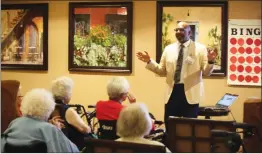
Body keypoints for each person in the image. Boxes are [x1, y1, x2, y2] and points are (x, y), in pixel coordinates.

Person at [136, 21, 217, 129]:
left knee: (189, 128)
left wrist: (211, 61)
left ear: (190, 33)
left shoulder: (200, 49)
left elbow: (206, 72)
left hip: (190, 94)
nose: (179, 32)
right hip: (172, 92)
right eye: (177, 30)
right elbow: (161, 71)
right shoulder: (168, 49)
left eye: (182, 30)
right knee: (170, 126)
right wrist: (149, 62)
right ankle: (170, 145)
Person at [1, 88, 79, 153]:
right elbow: (73, 151)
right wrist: (58, 131)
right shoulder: (50, 129)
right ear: (48, 109)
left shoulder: (15, 123)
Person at [51, 76, 91, 150]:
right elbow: (85, 129)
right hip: (72, 147)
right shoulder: (68, 111)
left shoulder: (50, 107)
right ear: (67, 94)